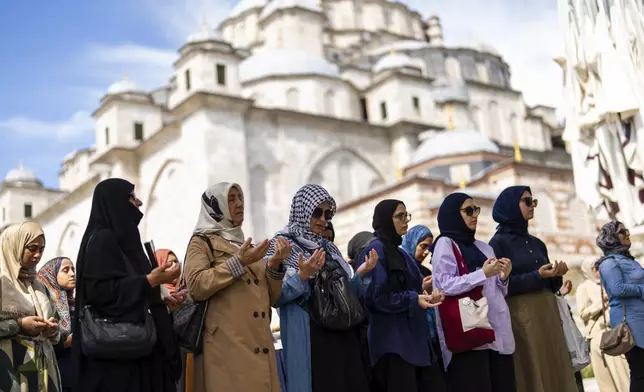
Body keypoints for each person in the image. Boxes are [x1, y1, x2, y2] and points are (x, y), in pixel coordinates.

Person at [71, 178, 183, 392]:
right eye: (131, 197)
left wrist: (161, 301)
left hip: (139, 354)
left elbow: (129, 286)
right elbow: (100, 293)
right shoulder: (103, 240)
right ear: (115, 201)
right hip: (118, 363)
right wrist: (149, 280)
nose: (139, 203)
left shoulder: (123, 239)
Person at [267, 184, 377, 392]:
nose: (322, 219)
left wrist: (362, 273)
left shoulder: (328, 247)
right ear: (303, 210)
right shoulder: (281, 245)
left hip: (343, 334)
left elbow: (343, 295)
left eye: (327, 213)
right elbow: (274, 295)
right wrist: (302, 276)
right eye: (316, 212)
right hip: (310, 335)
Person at [183, 182, 289, 392]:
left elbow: (271, 298)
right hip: (227, 350)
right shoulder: (202, 242)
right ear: (216, 206)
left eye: (240, 198)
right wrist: (237, 263)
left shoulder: (247, 246)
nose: (239, 204)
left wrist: (275, 267)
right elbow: (196, 285)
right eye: (231, 199)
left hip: (260, 344)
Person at [489, 185, 577, 392]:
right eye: (527, 201)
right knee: (533, 369)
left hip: (547, 313)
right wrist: (537, 275)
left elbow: (550, 284)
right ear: (511, 206)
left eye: (533, 201)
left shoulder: (537, 243)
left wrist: (556, 274)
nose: (533, 206)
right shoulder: (498, 243)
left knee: (556, 365)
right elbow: (503, 285)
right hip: (523, 317)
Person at [432, 193, 515, 392]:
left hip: (495, 331)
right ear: (453, 214)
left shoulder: (484, 248)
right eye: (468, 211)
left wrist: (503, 277)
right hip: (469, 335)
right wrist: (481, 274)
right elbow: (444, 286)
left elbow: (497, 291)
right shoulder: (445, 244)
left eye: (476, 210)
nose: (474, 215)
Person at [361, 200, 445, 392]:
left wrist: (427, 298)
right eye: (400, 216)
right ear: (385, 219)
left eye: (406, 216)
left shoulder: (402, 254)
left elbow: (412, 290)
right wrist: (413, 299)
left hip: (416, 342)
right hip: (393, 346)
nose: (405, 221)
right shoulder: (375, 251)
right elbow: (376, 298)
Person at [0, 221, 61, 392]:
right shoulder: (2, 282)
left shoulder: (39, 287)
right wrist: (19, 324)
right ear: (14, 246)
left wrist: (52, 330)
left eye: (41, 249)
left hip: (42, 372)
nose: (37, 255)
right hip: (9, 373)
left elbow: (56, 328)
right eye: (32, 248)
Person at [597, 221, 644, 391]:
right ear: (611, 237)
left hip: (640, 319)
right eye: (622, 231)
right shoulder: (609, 263)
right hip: (631, 325)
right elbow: (617, 289)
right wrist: (642, 289)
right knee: (640, 372)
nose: (628, 233)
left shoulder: (628, 260)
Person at [577, 258, 630, 392]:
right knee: (606, 381)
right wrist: (602, 302)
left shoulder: (610, 284)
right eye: (595, 268)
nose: (598, 271)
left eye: (600, 267)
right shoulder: (584, 288)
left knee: (623, 376)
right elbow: (583, 314)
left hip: (616, 335)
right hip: (598, 338)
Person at [401, 225, 445, 375]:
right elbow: (401, 296)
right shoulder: (402, 267)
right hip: (413, 334)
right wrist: (421, 288)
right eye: (423, 246)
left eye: (429, 247)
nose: (426, 252)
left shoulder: (425, 271)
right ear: (412, 243)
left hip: (431, 333)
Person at [38, 257, 76, 392]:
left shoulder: (74, 305)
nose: (72, 274)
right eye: (65, 270)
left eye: (73, 269)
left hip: (77, 373)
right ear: (51, 275)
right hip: (54, 373)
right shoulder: (44, 305)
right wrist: (64, 343)